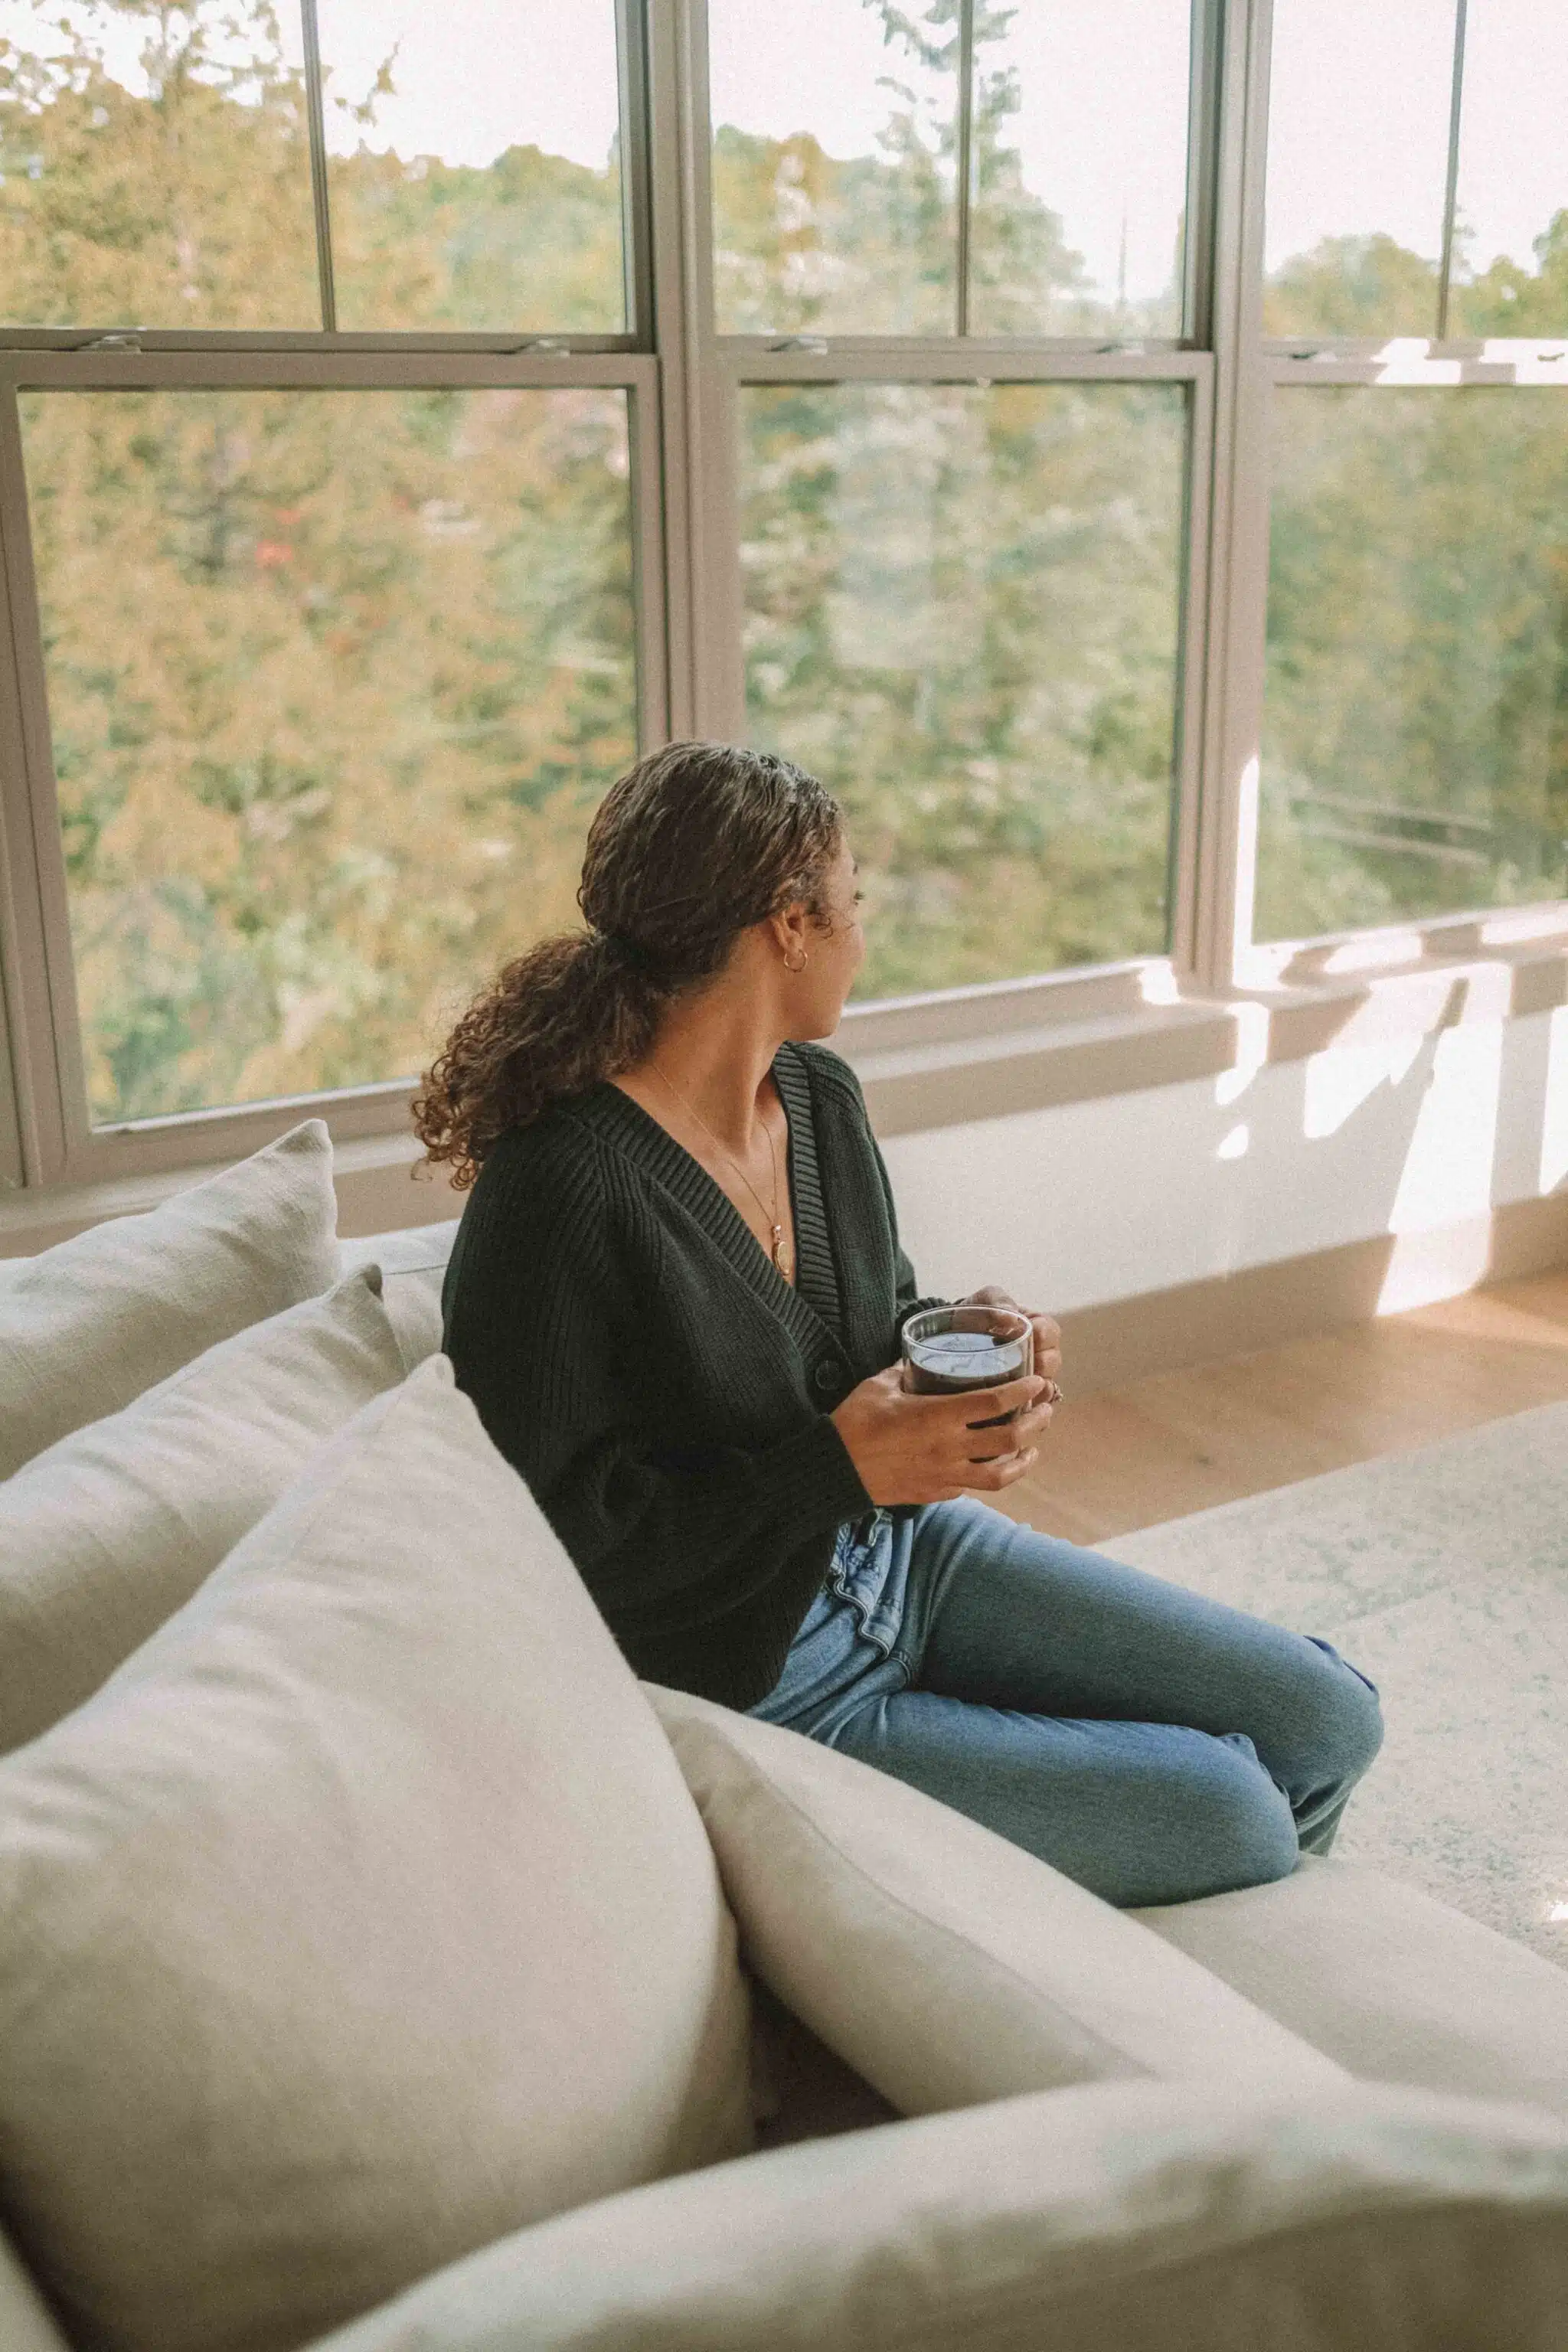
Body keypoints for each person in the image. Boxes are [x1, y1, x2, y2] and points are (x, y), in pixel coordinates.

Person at [416, 740, 1383, 1909]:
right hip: (771, 1672)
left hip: (912, 1554)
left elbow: (866, 1330)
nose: (861, 936)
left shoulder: (817, 1098)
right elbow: (547, 1547)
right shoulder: (561, 1190)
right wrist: (828, 1470)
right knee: (1237, 1812)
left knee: (1330, 1721)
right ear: (787, 926)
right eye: (853, 903)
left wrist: (960, 1340)